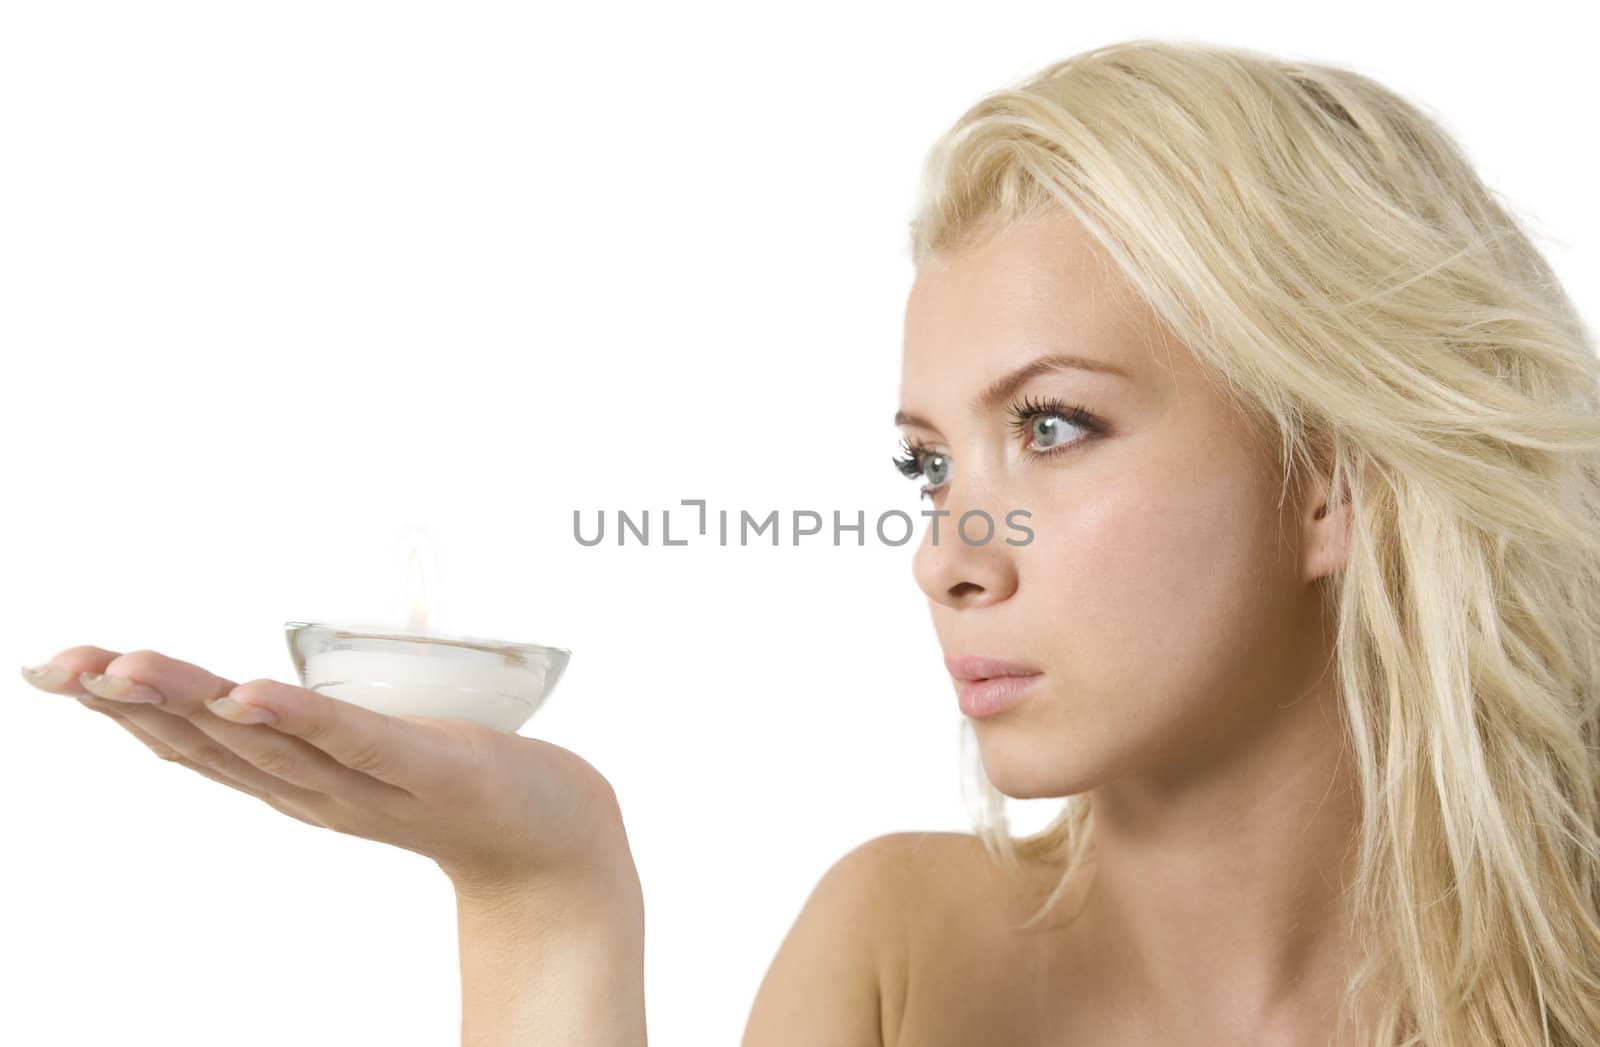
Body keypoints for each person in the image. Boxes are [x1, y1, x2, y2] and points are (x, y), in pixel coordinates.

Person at [21, 36, 1600, 1045]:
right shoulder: (902, 953)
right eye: (926, 464)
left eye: (1051, 427)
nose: (947, 553)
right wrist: (545, 893)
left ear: (1329, 481)